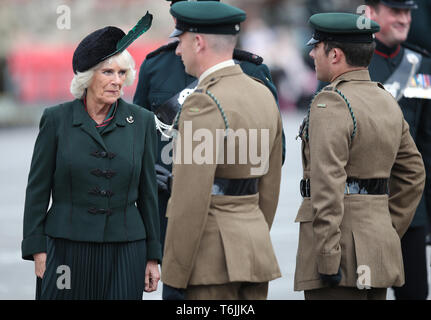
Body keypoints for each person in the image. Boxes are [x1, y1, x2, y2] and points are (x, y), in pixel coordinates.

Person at [132, 0, 286, 300]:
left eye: (182, 42)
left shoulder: (202, 103)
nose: (177, 50)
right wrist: (254, 234)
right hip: (254, 253)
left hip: (207, 260)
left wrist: (176, 273)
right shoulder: (261, 93)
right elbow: (270, 183)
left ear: (198, 42)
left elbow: (191, 197)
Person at [21, 13, 162, 300]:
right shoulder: (56, 120)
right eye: (107, 72)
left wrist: (152, 256)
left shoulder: (143, 122)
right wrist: (37, 248)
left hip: (126, 250)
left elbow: (149, 194)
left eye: (122, 73)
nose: (117, 81)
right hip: (65, 246)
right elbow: (37, 189)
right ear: (87, 77)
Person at [294, 12, 425, 300]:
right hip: (377, 246)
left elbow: (327, 185)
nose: (313, 53)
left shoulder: (330, 102)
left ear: (335, 55)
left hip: (339, 254)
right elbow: (414, 172)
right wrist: (387, 228)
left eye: (317, 47)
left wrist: (328, 256)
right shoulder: (386, 100)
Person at [365, 0, 431, 300]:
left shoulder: (421, 64)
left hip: (412, 210)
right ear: (371, 13)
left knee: (415, 294)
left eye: (407, 13)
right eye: (396, 12)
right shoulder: (356, 61)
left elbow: (428, 144)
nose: (404, 19)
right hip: (366, 208)